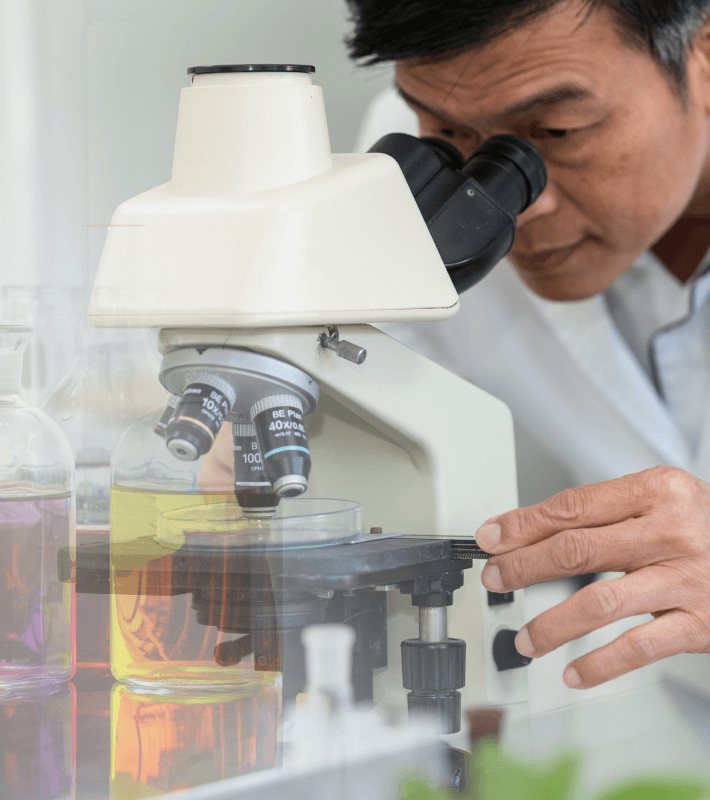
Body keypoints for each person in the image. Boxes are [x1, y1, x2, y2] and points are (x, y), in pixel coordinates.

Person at [345, 0, 710, 692]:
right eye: (447, 131)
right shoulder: (419, 152)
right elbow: (362, 409)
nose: (513, 205)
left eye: (558, 129)